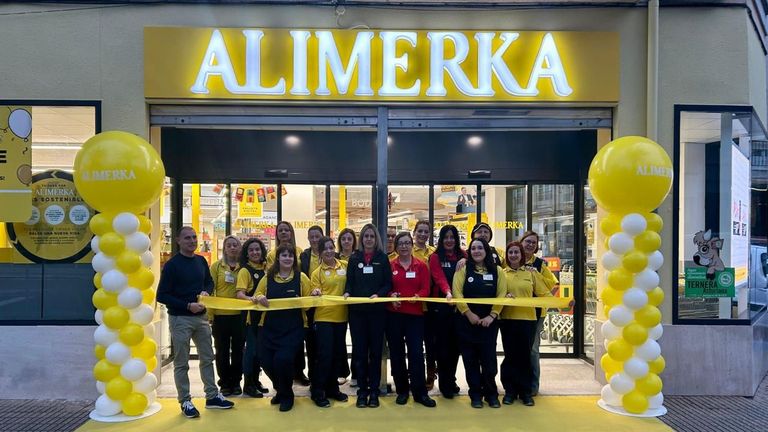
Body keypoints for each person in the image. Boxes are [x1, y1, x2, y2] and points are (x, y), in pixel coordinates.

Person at [157, 227, 234, 419]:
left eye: (194, 237)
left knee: (207, 358)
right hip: (180, 318)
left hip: (201, 318)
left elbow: (209, 282)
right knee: (182, 362)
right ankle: (185, 400)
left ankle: (211, 396)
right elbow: (162, 295)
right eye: (187, 238)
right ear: (178, 241)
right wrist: (186, 305)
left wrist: (206, 292)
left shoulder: (200, 261)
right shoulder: (172, 265)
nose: (192, 241)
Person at [254, 243, 312, 412]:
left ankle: (287, 396)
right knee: (266, 362)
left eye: (290, 255)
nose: (287, 258)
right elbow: (256, 295)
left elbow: (308, 305)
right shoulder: (267, 277)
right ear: (277, 258)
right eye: (284, 255)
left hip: (293, 329)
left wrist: (313, 295)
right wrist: (259, 297)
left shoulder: (301, 278)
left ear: (294, 259)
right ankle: (281, 389)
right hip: (269, 328)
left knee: (283, 361)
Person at [451, 238, 506, 409]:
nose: (476, 251)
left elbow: (501, 294)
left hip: (488, 324)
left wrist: (492, 315)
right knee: (470, 361)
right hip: (467, 322)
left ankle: (491, 394)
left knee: (489, 361)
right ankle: (475, 394)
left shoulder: (497, 271)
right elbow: (456, 292)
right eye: (473, 248)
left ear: (486, 250)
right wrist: (468, 313)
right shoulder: (463, 269)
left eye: (480, 248)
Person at [343, 223, 392, 408]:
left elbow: (388, 283)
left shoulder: (382, 258)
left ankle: (374, 391)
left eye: (372, 236)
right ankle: (362, 390)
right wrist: (347, 292)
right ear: (362, 239)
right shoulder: (354, 258)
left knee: (376, 352)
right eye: (366, 236)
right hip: (357, 313)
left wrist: (379, 295)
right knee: (360, 353)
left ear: (376, 239)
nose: (369, 239)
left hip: (377, 313)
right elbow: (350, 281)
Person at [386, 232, 436, 408]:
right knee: (397, 354)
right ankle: (402, 391)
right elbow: (386, 287)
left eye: (407, 243)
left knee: (416, 354)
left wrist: (418, 295)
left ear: (411, 244)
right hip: (394, 315)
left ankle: (420, 392)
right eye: (401, 243)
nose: (404, 246)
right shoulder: (390, 265)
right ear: (396, 246)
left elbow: (426, 288)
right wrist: (392, 295)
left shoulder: (421, 266)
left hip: (415, 316)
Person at [500, 241, 552, 407]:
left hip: (528, 320)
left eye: (516, 252)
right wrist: (504, 297)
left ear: (521, 255)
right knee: (510, 357)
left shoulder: (531, 273)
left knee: (525, 357)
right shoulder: (501, 273)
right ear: (507, 256)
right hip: (507, 320)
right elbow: (496, 294)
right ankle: (509, 391)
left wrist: (562, 302)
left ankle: (525, 392)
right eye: (510, 253)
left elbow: (544, 293)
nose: (513, 255)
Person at [264, 221, 309, 386]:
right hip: (276, 311)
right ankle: (282, 383)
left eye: (286, 230)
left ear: (291, 233)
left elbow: (302, 275)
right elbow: (270, 276)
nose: (283, 233)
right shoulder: (271, 254)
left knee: (296, 349)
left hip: (296, 308)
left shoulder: (300, 252)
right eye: (280, 230)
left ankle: (298, 373)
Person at [309, 236, 350, 407]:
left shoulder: (345, 266)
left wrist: (349, 291)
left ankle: (333, 389)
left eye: (330, 247)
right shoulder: (316, 273)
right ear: (320, 252)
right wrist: (316, 291)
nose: (328, 251)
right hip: (324, 317)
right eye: (324, 248)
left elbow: (351, 283)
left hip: (342, 317)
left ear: (335, 249)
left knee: (337, 355)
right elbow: (313, 290)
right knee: (324, 356)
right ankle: (318, 391)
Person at [427, 224, 465, 399]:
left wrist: (467, 260)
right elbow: (438, 277)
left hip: (459, 309)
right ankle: (444, 383)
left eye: (452, 237)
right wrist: (449, 292)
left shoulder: (464, 255)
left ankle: (451, 379)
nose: (449, 240)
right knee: (442, 348)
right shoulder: (435, 257)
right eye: (446, 237)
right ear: (441, 240)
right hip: (441, 308)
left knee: (455, 348)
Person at [519, 230, 559, 396]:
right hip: (515, 312)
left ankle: (533, 386)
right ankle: (517, 384)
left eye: (533, 243)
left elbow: (552, 285)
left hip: (536, 313)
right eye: (527, 241)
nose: (530, 245)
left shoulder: (540, 264)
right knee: (516, 349)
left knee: (533, 350)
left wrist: (536, 277)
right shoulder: (512, 259)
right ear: (521, 242)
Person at [208, 235, 245, 396]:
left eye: (235, 245)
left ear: (239, 248)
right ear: (224, 248)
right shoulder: (216, 267)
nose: (232, 248)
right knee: (221, 351)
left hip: (240, 316)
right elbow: (210, 290)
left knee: (238, 351)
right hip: (220, 316)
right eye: (229, 245)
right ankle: (224, 383)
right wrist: (210, 314)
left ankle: (236, 382)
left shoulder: (244, 267)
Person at [235, 237, 270, 398]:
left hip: (264, 316)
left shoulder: (266, 268)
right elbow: (239, 294)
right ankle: (248, 384)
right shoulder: (244, 271)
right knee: (251, 351)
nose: (255, 252)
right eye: (251, 250)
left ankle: (256, 381)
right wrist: (252, 299)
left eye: (258, 249)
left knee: (260, 350)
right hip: (250, 317)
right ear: (247, 254)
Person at [412, 220, 438, 389]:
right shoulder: (406, 250)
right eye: (419, 231)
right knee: (414, 344)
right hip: (412, 305)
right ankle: (415, 373)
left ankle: (430, 374)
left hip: (429, 305)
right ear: (414, 233)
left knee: (430, 343)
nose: (422, 234)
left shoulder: (434, 253)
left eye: (425, 231)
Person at [298, 225, 324, 386]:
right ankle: (312, 375)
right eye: (311, 237)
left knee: (326, 343)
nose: (314, 240)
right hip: (309, 303)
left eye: (317, 236)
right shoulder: (304, 256)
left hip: (326, 304)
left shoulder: (330, 254)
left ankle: (327, 376)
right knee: (310, 341)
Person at [334, 227, 356, 385]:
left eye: (349, 239)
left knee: (357, 339)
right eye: (343, 239)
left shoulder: (359, 257)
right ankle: (342, 371)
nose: (346, 242)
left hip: (356, 303)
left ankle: (357, 372)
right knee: (339, 339)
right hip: (338, 304)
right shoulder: (333, 257)